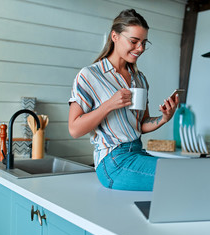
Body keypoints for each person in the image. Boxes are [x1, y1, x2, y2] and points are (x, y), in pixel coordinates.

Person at [68, 9, 179, 191]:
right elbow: (74, 129)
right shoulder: (89, 75)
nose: (140, 48)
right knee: (179, 176)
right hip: (113, 162)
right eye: (134, 42)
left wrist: (164, 118)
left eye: (144, 43)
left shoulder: (140, 79)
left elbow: (141, 125)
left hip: (137, 153)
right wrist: (110, 105)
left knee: (185, 171)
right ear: (115, 36)